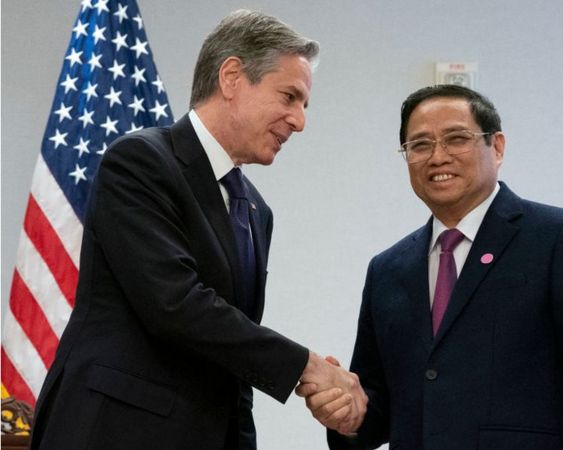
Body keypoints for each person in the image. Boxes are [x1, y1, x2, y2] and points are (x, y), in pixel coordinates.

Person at [30, 10, 365, 450]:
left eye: (304, 105)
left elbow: (230, 356)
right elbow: (175, 304)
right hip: (114, 432)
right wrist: (306, 367)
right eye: (289, 96)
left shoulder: (256, 210)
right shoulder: (140, 161)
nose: (299, 121)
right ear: (232, 77)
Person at [316, 85, 563, 449]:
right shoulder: (387, 270)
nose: (438, 157)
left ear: (497, 147)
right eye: (420, 145)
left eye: (456, 139)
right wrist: (348, 414)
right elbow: (383, 405)